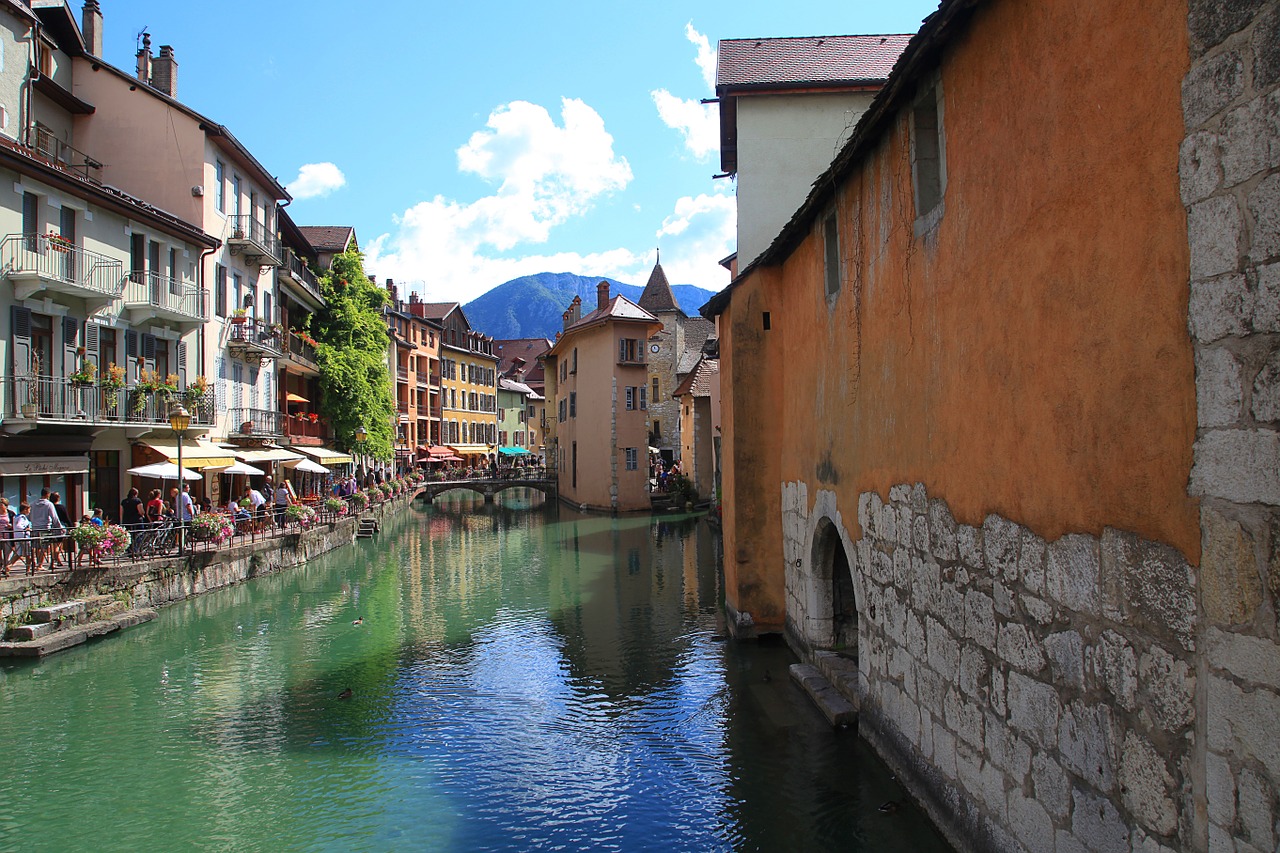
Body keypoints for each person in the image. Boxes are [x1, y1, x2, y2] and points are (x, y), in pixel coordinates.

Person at [28, 488, 63, 572]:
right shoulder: (49, 504)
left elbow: (29, 517)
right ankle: (40, 564)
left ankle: (37, 563)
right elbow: (54, 517)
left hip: (35, 527)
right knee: (45, 546)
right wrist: (60, 527)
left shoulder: (32, 504)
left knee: (37, 546)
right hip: (45, 528)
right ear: (48, 494)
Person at [10, 502, 32, 575]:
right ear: (25, 509)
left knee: (18, 553)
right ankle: (28, 570)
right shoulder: (22, 517)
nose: (29, 511)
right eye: (29, 510)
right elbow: (19, 526)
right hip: (24, 537)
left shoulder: (15, 516)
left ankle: (8, 566)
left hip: (17, 537)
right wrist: (26, 529)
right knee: (29, 554)